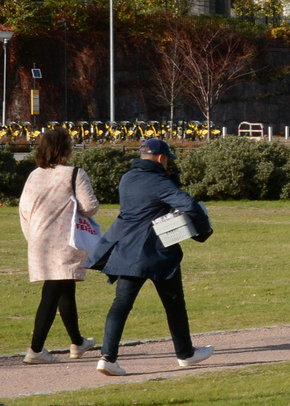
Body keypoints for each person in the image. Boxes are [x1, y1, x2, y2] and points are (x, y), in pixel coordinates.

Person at [86, 139, 213, 376]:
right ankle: (185, 354)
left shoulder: (127, 179)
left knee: (121, 304)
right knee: (174, 304)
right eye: (166, 160)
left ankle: (108, 357)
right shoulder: (159, 181)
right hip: (156, 254)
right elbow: (190, 205)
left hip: (126, 251)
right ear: (159, 158)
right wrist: (204, 230)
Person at [18, 127, 98, 364]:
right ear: (66, 150)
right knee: (52, 293)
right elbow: (90, 206)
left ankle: (77, 342)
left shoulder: (34, 175)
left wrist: (32, 238)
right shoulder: (74, 174)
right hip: (64, 242)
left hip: (39, 242)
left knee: (65, 289)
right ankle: (35, 349)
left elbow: (24, 210)